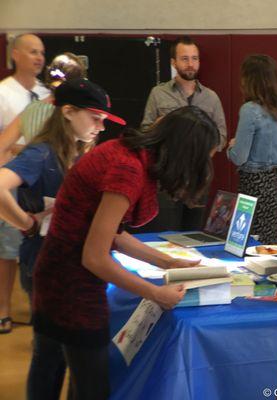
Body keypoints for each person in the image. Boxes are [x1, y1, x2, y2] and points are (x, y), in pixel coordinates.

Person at [32, 105, 220, 400]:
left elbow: (113, 234)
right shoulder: (128, 171)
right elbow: (94, 256)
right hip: (69, 285)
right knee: (89, 385)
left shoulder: (128, 154)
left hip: (57, 274)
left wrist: (166, 261)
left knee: (55, 370)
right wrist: (155, 293)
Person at [0, 77, 108, 399]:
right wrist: (27, 224)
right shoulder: (43, 153)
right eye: (95, 118)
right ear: (68, 112)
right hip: (45, 262)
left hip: (67, 263)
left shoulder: (76, 151)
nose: (100, 127)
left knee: (60, 355)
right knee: (50, 356)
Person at [139, 36, 227, 232]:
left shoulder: (211, 97)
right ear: (174, 62)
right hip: (166, 177)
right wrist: (160, 125)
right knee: (165, 234)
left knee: (193, 235)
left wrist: (200, 157)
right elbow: (145, 133)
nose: (191, 64)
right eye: (185, 58)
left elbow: (221, 137)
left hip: (199, 178)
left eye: (195, 58)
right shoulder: (158, 93)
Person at [0, 33, 49, 334]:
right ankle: (3, 308)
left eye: (42, 52)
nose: (39, 58)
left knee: (37, 241)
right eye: (32, 51)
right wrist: (19, 151)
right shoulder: (4, 93)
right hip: (10, 177)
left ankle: (38, 307)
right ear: (15, 54)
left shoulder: (47, 94)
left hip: (40, 181)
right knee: (7, 248)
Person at [227, 54, 277, 244]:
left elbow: (239, 157)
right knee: (270, 248)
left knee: (247, 244)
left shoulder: (250, 109)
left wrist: (231, 147)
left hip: (254, 186)